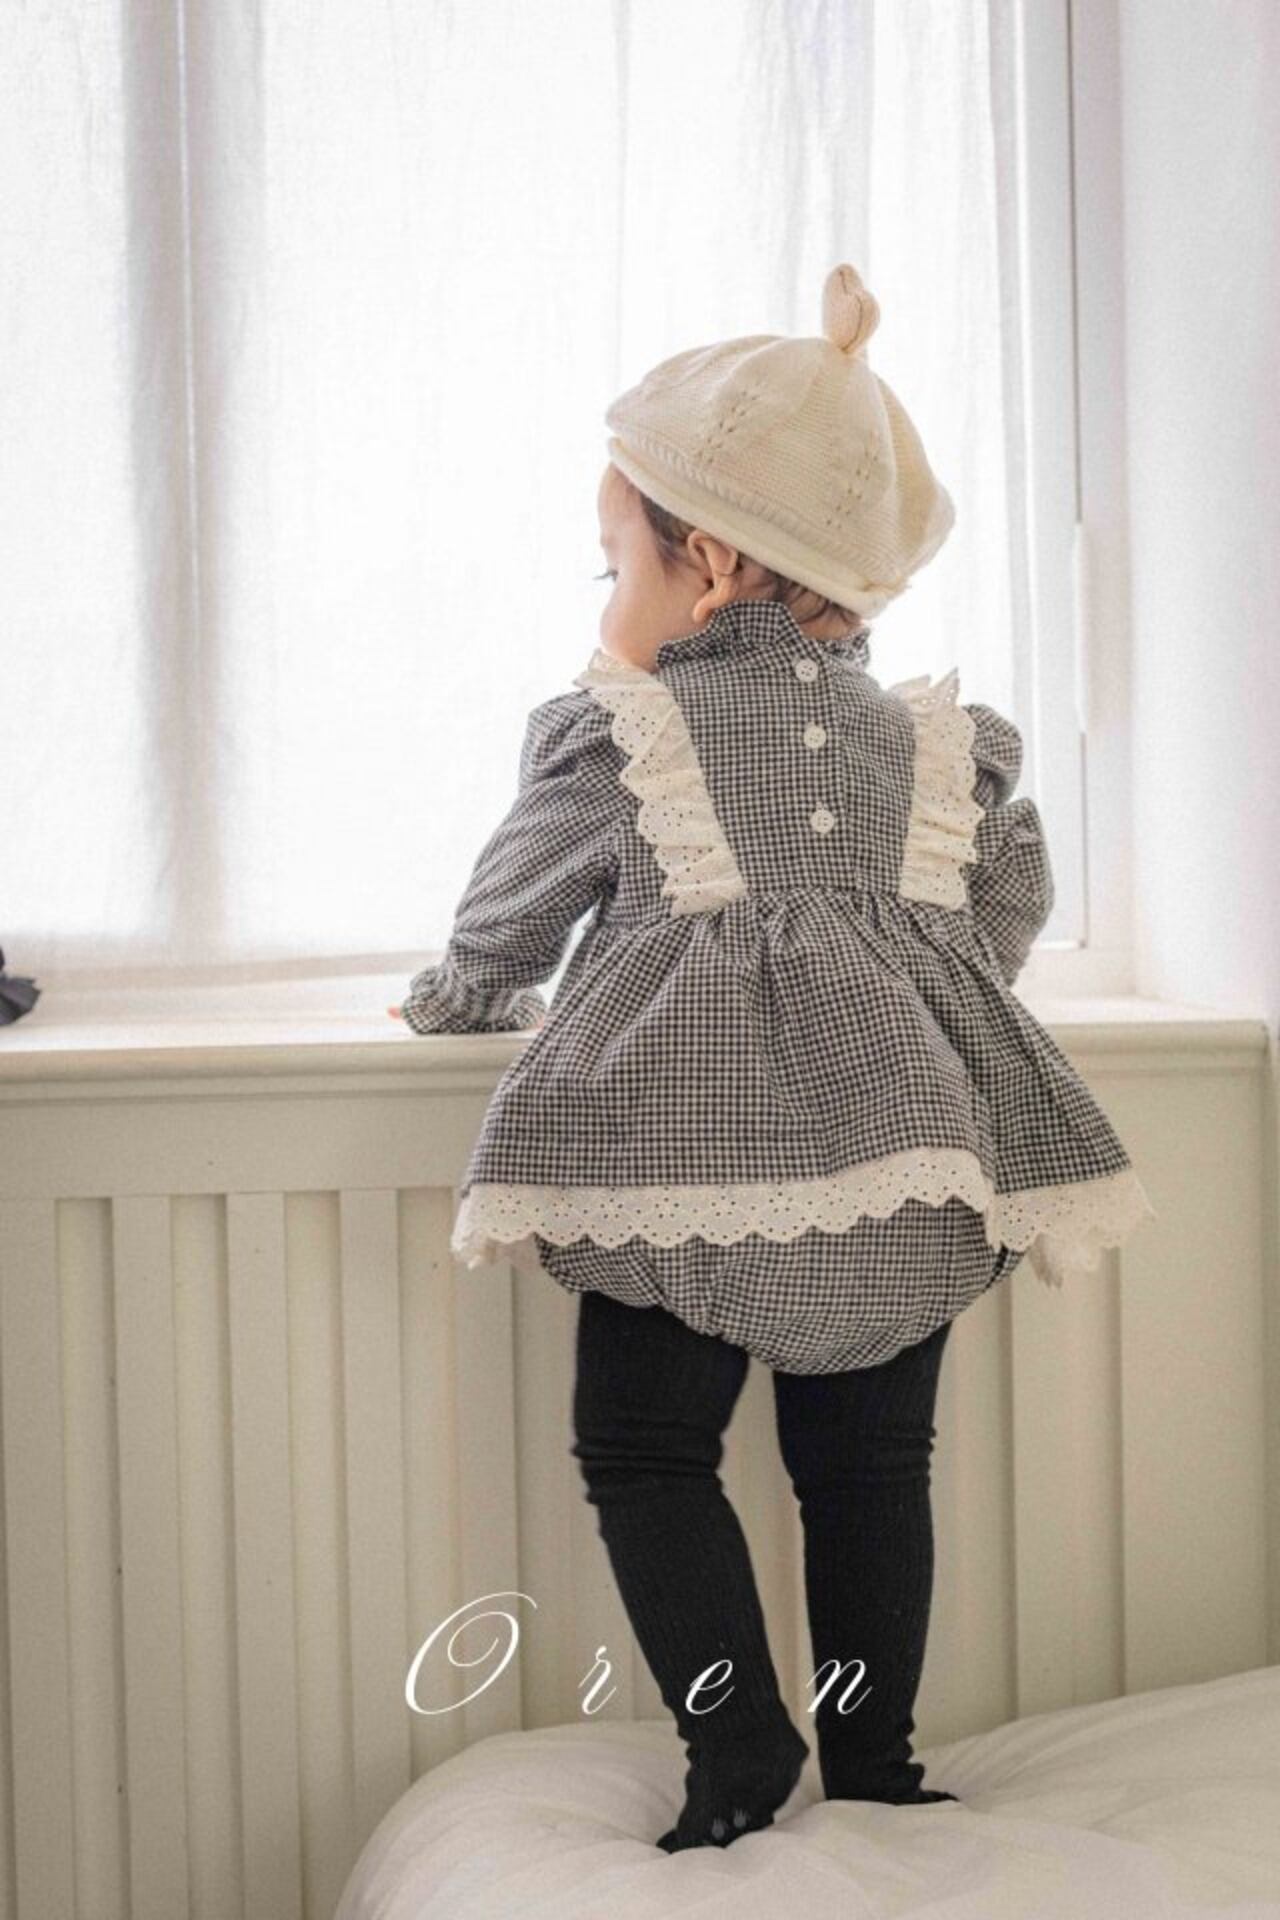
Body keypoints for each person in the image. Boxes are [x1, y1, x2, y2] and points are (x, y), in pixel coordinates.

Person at [389, 263, 1157, 1852]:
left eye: (614, 560)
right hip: (911, 1158)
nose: (605, 597)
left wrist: (460, 1000)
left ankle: (738, 1748)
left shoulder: (629, 733)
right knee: (872, 1466)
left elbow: (505, 922)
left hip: (677, 1164)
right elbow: (1002, 908)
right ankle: (877, 1765)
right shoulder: (939, 747)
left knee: (646, 1447)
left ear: (713, 565)